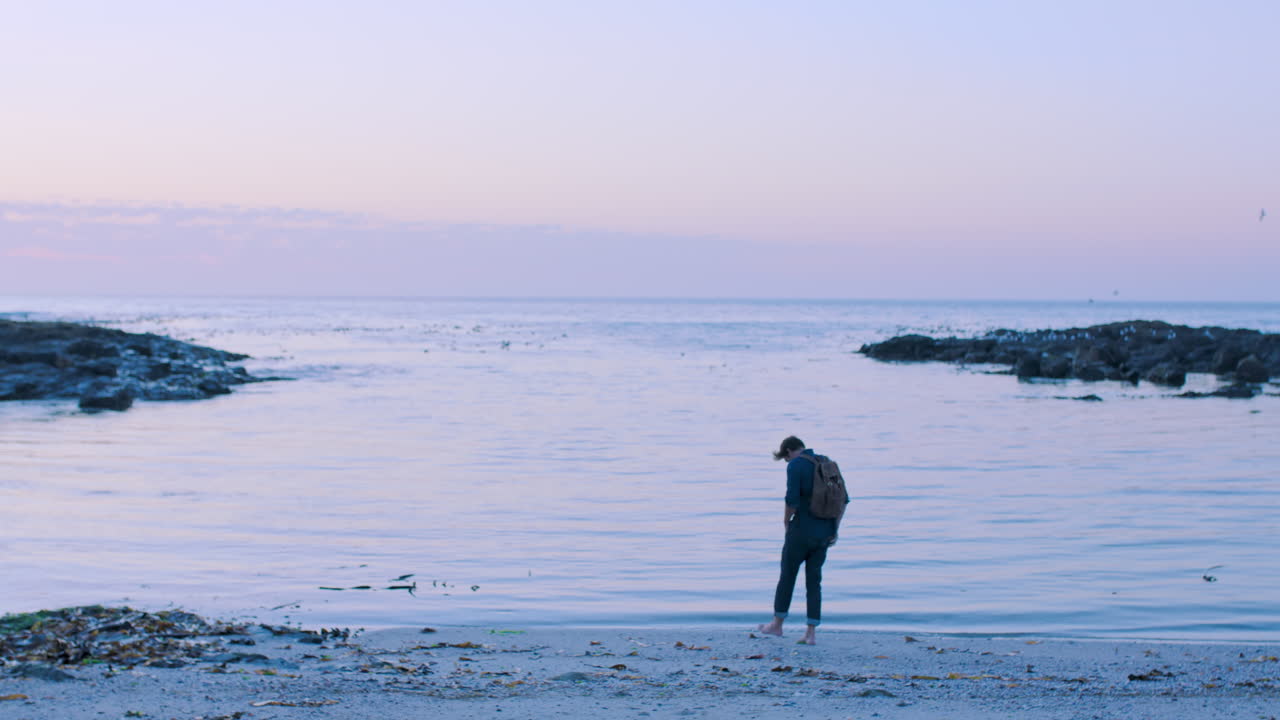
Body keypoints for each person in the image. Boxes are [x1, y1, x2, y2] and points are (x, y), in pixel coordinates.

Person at [757, 435, 847, 645]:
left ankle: (777, 625)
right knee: (814, 582)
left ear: (789, 451)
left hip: (801, 530)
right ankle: (811, 633)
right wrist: (835, 529)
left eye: (785, 458)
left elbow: (792, 500)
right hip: (825, 531)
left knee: (787, 576)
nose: (787, 461)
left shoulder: (796, 465)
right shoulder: (827, 463)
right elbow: (843, 500)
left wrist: (786, 522)